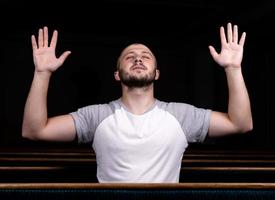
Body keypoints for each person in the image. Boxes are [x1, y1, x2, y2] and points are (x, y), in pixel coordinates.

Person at [22, 23, 253, 183]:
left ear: (157, 73)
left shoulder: (181, 116)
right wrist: (42, 73)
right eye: (130, 56)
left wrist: (233, 69)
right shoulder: (96, 116)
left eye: (146, 56)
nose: (138, 58)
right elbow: (34, 130)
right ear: (117, 74)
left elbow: (240, 124)